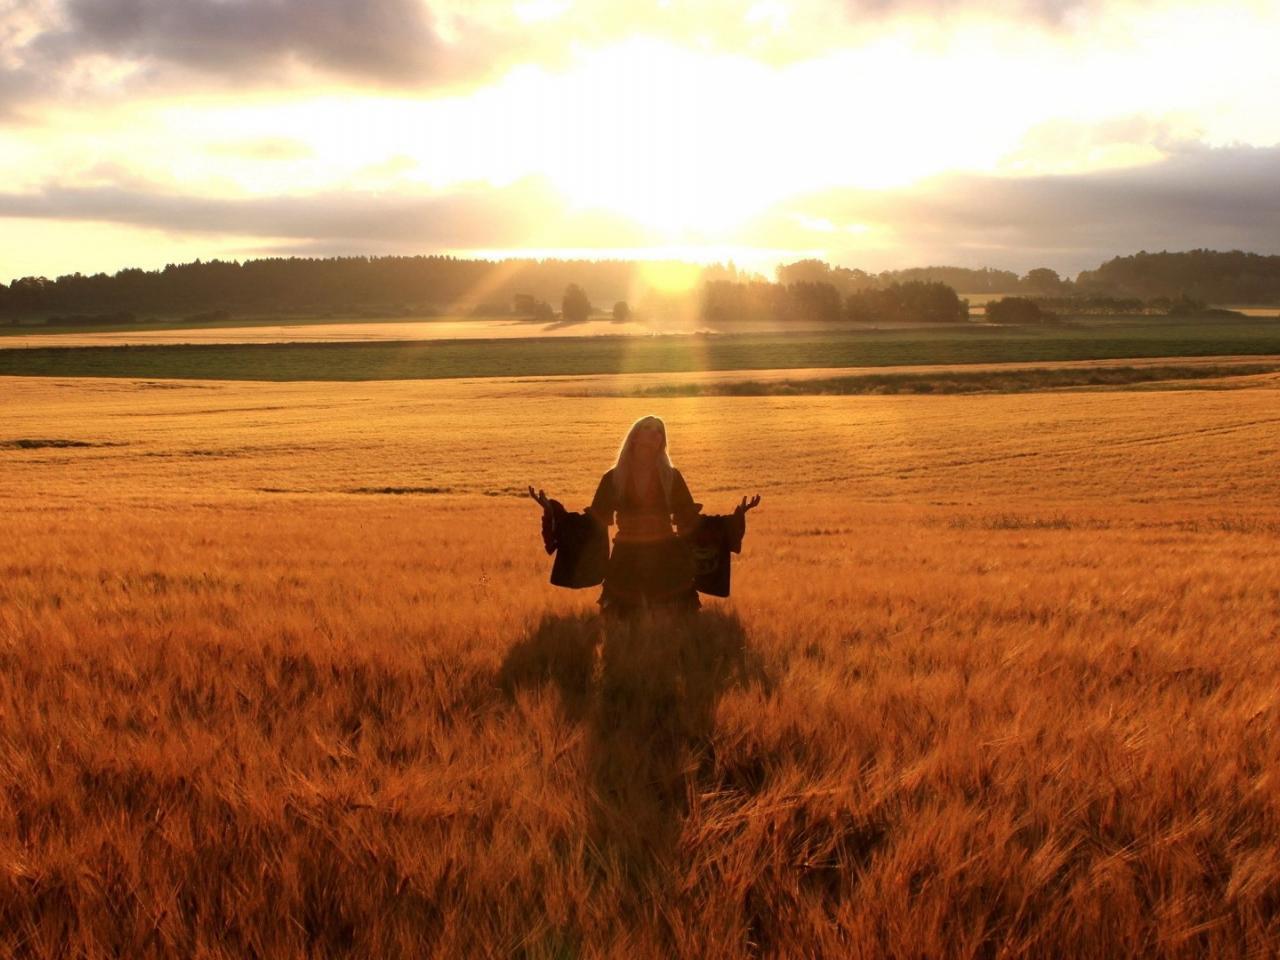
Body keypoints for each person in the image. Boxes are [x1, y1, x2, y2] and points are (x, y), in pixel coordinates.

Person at [530, 415, 760, 618]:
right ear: (634, 437)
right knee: (622, 622)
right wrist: (553, 510)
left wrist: (733, 520)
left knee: (673, 622)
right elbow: (594, 521)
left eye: (659, 431)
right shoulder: (613, 478)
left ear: (662, 441)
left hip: (666, 555)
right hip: (626, 557)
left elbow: (689, 519)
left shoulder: (671, 476)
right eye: (648, 428)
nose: (655, 433)